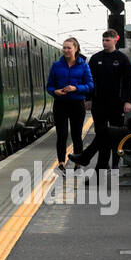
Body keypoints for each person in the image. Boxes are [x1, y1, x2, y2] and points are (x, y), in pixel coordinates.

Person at [71, 29, 131, 172]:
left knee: (115, 133)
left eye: (107, 40)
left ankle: (115, 163)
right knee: (101, 133)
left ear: (115, 40)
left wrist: (127, 101)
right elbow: (88, 80)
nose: (105, 43)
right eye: (103, 40)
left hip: (117, 103)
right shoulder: (95, 59)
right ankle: (103, 164)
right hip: (99, 103)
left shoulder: (122, 59)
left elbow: (129, 81)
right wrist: (88, 99)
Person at [46, 37, 93, 171]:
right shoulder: (56, 65)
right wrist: (55, 91)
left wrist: (76, 88)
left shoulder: (83, 65)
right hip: (60, 104)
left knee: (76, 134)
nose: (66, 50)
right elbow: (49, 86)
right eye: (64, 48)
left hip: (77, 104)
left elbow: (90, 85)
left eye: (68, 48)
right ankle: (61, 162)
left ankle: (78, 162)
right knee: (61, 134)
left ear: (76, 49)